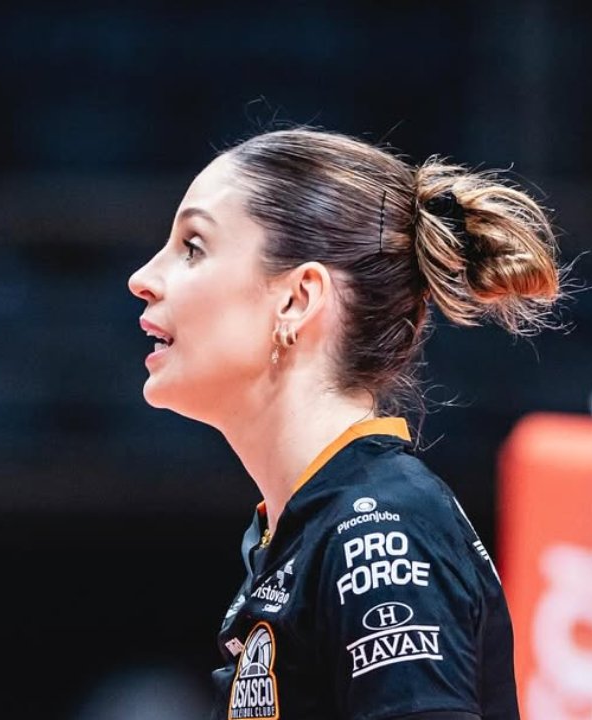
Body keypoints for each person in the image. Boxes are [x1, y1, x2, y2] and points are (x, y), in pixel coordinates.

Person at [127, 128, 561, 719]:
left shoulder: (381, 532)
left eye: (193, 246)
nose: (144, 277)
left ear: (297, 299)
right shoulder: (306, 531)